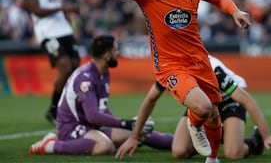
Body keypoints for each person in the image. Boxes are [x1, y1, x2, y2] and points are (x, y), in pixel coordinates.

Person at [84, 0, 251, 163]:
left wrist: (235, 11)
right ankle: (193, 124)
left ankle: (212, 160)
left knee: (213, 114)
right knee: (202, 109)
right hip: (170, 66)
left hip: (199, 60)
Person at [28, 35, 173, 155]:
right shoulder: (85, 78)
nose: (118, 53)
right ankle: (52, 145)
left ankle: (181, 143)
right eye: (116, 50)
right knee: (105, 146)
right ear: (107, 55)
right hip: (71, 128)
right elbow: (93, 116)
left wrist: (131, 126)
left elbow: (102, 111)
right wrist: (125, 123)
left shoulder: (103, 73)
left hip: (89, 127)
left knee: (138, 133)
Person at [171, 55, 271, 159]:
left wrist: (267, 136)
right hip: (204, 103)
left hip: (228, 99)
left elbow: (248, 101)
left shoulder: (214, 71)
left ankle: (256, 142)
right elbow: (152, 97)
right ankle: (224, 134)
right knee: (179, 151)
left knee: (233, 153)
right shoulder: (170, 68)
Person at [22, 0, 80, 124]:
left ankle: (69, 107)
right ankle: (54, 111)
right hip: (47, 32)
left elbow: (55, 3)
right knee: (65, 66)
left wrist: (71, 22)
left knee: (76, 67)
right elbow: (37, 11)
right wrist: (65, 9)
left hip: (63, 29)